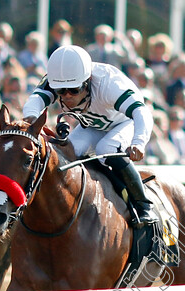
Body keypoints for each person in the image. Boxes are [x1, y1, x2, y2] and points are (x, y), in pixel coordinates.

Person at [21, 45, 157, 227]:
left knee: (106, 148)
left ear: (88, 80)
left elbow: (141, 112)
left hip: (124, 122)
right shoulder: (58, 79)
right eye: (61, 91)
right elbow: (34, 102)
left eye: (74, 90)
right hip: (92, 124)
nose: (67, 96)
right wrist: (30, 119)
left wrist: (139, 142)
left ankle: (143, 205)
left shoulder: (109, 84)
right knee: (67, 154)